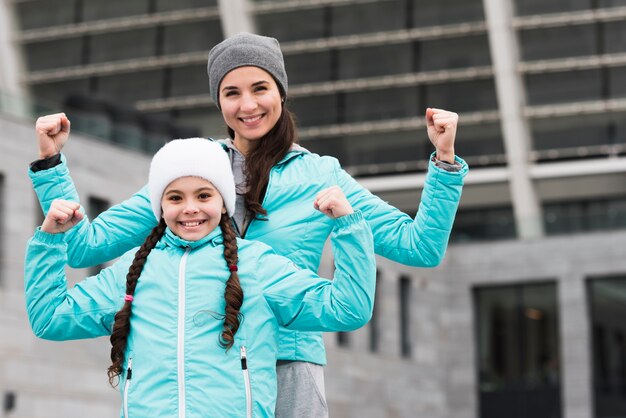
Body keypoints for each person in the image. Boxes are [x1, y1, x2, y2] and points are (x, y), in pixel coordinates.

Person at [29, 33, 468, 418]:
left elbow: (420, 247)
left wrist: (444, 162)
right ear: (218, 102)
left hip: (288, 363)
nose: (247, 105)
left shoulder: (321, 175)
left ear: (281, 92)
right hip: (204, 366)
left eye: (260, 88)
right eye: (231, 92)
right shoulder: (193, 176)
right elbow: (84, 247)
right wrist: (51, 166)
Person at [25, 138, 376, 418]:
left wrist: (348, 227)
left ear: (223, 202)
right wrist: (49, 239)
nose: (190, 208)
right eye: (175, 197)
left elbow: (348, 309)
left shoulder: (259, 266)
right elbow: (50, 318)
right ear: (160, 207)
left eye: (204, 195)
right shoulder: (132, 271)